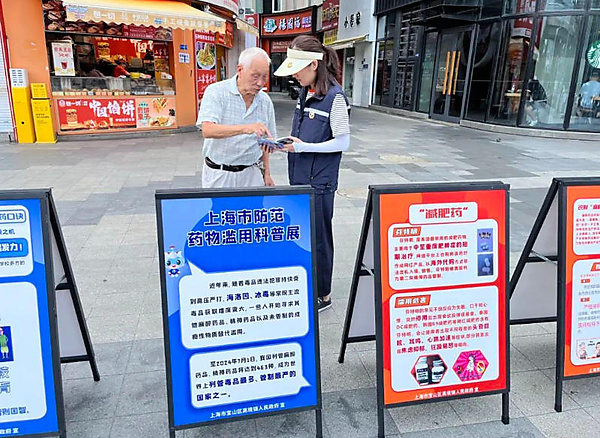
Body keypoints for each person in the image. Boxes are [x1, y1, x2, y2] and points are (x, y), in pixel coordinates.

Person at [272, 35, 351, 312]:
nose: (294, 74)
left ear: (314, 65)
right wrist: (286, 144)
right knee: (303, 233)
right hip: (300, 176)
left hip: (320, 182)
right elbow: (303, 132)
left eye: (298, 68)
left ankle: (323, 295)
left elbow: (343, 142)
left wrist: (304, 147)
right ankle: (307, 284)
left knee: (319, 239)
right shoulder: (305, 92)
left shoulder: (335, 97)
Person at [197, 47, 276, 188]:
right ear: (240, 70)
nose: (260, 83)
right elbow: (208, 130)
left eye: (264, 77)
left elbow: (266, 142)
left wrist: (267, 173)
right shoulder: (216, 92)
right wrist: (246, 128)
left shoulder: (265, 101)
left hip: (252, 173)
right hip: (220, 173)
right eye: (255, 76)